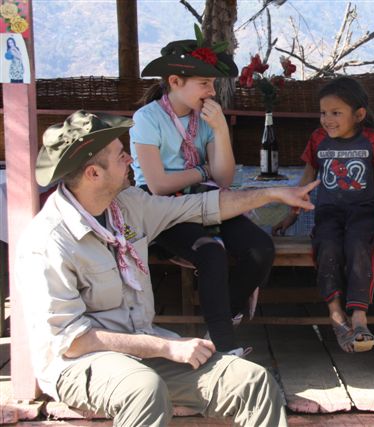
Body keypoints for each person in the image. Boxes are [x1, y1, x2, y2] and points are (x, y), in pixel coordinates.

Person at [17, 109, 319, 426]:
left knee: (253, 383)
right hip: (80, 365)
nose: (130, 162)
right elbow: (74, 341)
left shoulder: (128, 204)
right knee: (144, 389)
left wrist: (270, 193)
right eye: (121, 156)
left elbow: (202, 207)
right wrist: (166, 346)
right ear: (94, 174)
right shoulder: (48, 242)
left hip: (144, 349)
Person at [129, 38, 273, 355]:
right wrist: (203, 171)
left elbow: (224, 177)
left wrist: (220, 130)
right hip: (163, 210)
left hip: (207, 200)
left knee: (261, 248)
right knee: (211, 253)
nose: (211, 91)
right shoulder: (147, 119)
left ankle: (221, 319)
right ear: (175, 82)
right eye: (204, 83)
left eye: (212, 83)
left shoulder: (205, 120)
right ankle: (223, 346)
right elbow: (158, 184)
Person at [273, 77, 374, 353]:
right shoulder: (317, 139)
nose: (327, 119)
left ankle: (360, 315)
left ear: (359, 114)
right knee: (327, 247)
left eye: (336, 113)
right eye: (323, 113)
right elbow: (307, 178)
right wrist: (292, 214)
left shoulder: (372, 139)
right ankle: (336, 313)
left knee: (359, 246)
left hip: (363, 213)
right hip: (328, 213)